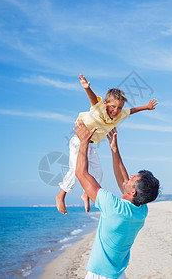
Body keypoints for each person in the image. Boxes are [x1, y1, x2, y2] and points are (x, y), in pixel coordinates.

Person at [56, 74, 158, 214]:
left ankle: (86, 194)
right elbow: (93, 99)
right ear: (105, 104)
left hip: (91, 145)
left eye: (119, 107)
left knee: (98, 173)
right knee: (75, 170)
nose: (116, 111)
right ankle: (61, 195)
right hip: (79, 141)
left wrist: (146, 107)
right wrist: (87, 88)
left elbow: (131, 111)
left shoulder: (120, 113)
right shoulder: (100, 109)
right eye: (113, 106)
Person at [74, 120, 160, 279]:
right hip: (118, 274)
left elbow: (81, 173)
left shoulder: (113, 207)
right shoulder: (141, 210)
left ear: (133, 191)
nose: (131, 176)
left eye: (134, 178)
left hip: (99, 275)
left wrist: (84, 142)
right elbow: (123, 181)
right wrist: (114, 149)